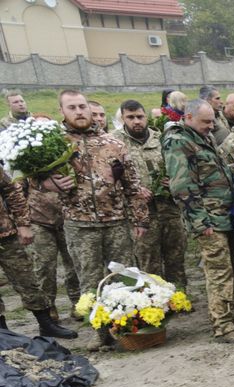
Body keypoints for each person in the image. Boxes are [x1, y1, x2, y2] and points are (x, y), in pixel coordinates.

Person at [44, 90, 147, 346]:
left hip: (116, 221)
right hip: (80, 225)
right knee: (89, 280)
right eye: (72, 107)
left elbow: (133, 185)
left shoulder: (113, 143)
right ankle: (100, 333)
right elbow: (33, 182)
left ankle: (128, 327)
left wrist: (140, 219)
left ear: (90, 110)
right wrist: (46, 182)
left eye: (82, 106)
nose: (78, 111)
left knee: (123, 277)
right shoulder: (54, 143)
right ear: (62, 112)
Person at [163, 99, 234, 344]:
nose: (211, 126)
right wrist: (200, 223)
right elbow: (182, 186)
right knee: (218, 271)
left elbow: (215, 170)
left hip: (223, 215)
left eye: (213, 120)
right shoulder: (178, 142)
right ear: (188, 117)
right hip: (208, 219)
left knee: (228, 269)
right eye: (205, 121)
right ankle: (223, 326)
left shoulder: (202, 137)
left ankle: (225, 314)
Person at [115, 100, 186, 289]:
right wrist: (132, 190)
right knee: (148, 259)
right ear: (123, 119)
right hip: (140, 214)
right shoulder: (115, 143)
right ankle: (155, 299)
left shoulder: (161, 139)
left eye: (139, 117)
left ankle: (179, 296)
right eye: (131, 118)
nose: (136, 121)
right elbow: (109, 180)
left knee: (176, 255)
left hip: (169, 208)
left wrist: (172, 181)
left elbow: (177, 166)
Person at [0, 168, 73, 338]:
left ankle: (46, 324)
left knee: (27, 279)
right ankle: (3, 333)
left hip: (5, 234)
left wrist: (23, 223)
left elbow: (12, 190)